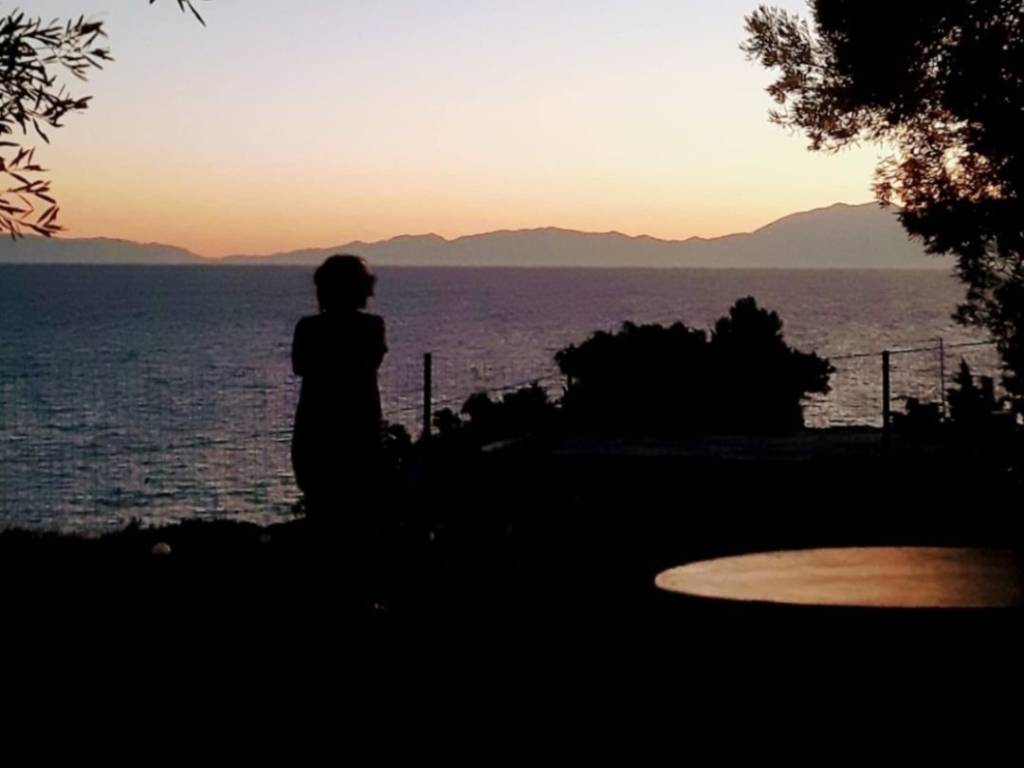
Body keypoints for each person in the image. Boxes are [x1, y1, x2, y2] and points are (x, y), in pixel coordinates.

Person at [291, 255, 387, 519]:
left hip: (316, 430)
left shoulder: (308, 328)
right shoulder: (372, 327)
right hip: (360, 430)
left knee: (321, 510)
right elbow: (372, 361)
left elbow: (300, 366)